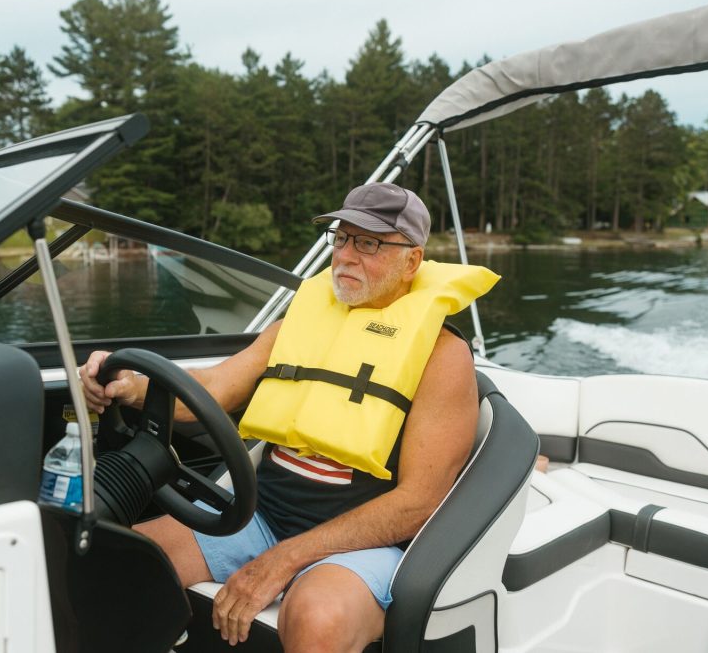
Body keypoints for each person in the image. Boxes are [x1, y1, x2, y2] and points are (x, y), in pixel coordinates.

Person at [79, 182, 498, 651]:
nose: (346, 256)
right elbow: (213, 388)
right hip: (263, 517)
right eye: (341, 238)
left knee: (316, 619)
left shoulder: (443, 355)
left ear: (412, 261)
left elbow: (419, 503)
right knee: (126, 564)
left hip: (364, 548)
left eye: (369, 243)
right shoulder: (294, 327)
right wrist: (131, 385)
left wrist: (286, 559)